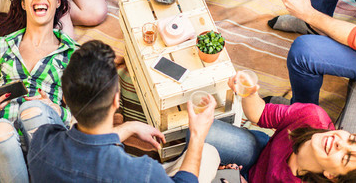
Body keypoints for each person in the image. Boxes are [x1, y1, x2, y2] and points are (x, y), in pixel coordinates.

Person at [27, 39, 220, 183]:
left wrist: (129, 127)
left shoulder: (42, 141)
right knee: (209, 153)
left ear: (66, 100)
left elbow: (88, 147)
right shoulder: (143, 172)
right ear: (116, 100)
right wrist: (197, 135)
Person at [0, 0, 78, 183]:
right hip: (1, 146)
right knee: (0, 130)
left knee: (33, 110)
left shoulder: (73, 54)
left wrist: (56, 109)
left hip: (46, 137)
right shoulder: (0, 47)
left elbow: (83, 118)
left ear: (58, 1)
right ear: (23, 3)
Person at [201, 73, 356, 183]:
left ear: (332, 176)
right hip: (258, 152)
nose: (340, 143)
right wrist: (249, 94)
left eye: (345, 157)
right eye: (350, 138)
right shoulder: (312, 116)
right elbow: (260, 114)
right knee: (201, 130)